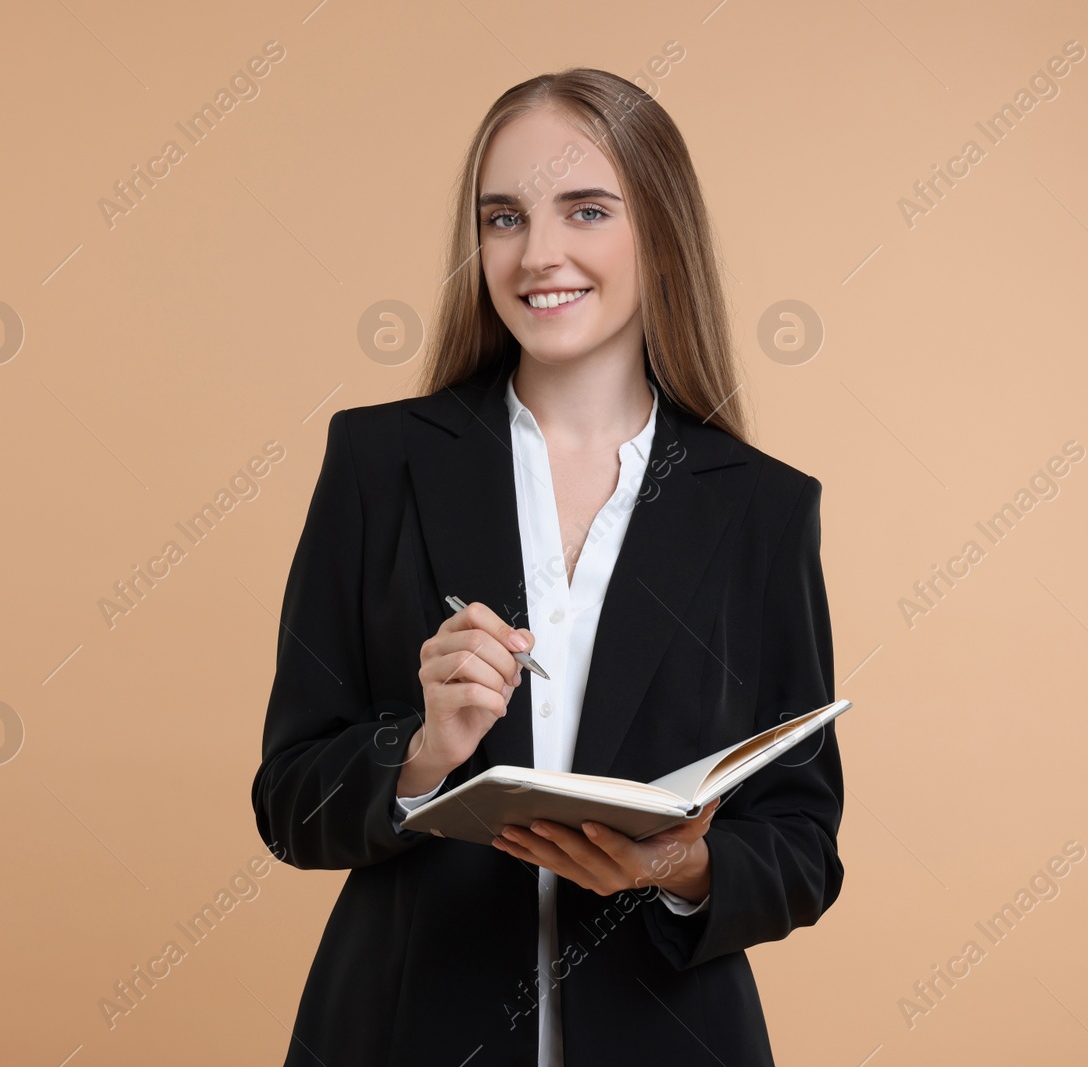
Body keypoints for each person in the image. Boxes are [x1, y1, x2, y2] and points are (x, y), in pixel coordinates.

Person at [251, 67, 843, 1066]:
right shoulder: (378, 462)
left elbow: (801, 844)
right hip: (403, 1028)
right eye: (503, 216)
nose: (538, 254)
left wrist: (689, 863)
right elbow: (289, 802)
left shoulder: (761, 506)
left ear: (657, 232)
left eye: (586, 210)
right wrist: (421, 750)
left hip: (672, 1032)